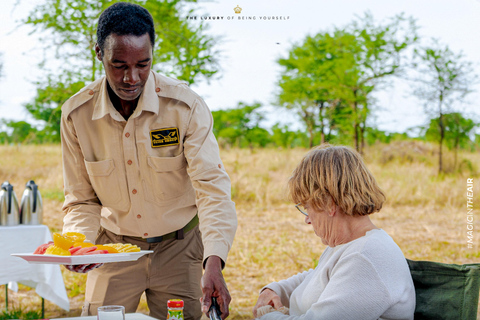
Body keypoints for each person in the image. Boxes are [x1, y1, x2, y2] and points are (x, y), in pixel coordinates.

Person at [59, 3, 237, 320]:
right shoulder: (77, 115)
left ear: (153, 52)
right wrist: (80, 245)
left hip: (180, 248)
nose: (132, 77)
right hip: (113, 249)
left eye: (143, 64)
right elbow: (81, 198)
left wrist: (213, 262)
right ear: (98, 52)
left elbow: (212, 189)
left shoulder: (185, 107)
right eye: (119, 65)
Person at [252, 145, 415, 320]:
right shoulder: (350, 244)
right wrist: (275, 290)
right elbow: (317, 277)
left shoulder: (364, 258)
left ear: (328, 203)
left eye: (307, 208)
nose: (307, 219)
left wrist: (267, 316)